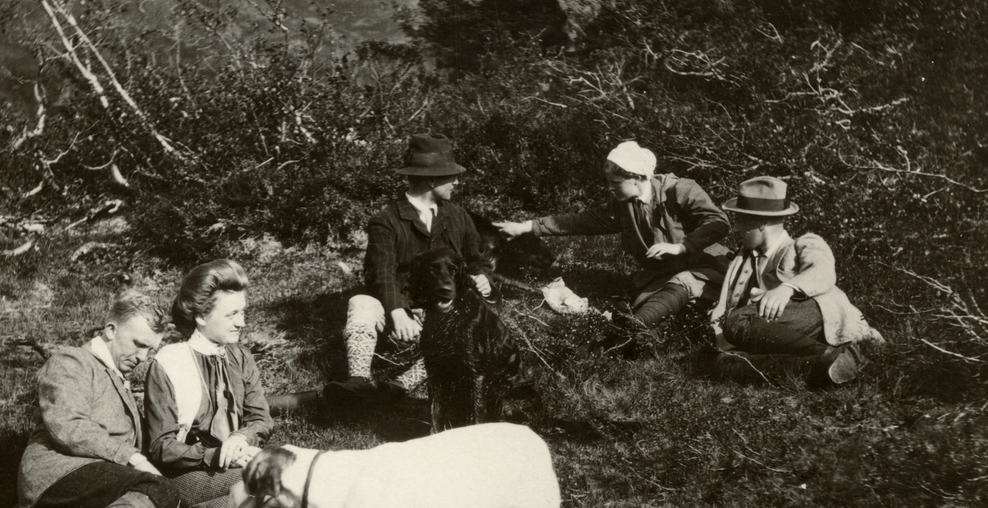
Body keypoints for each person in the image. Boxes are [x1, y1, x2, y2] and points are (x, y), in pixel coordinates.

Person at [15, 290, 223, 508]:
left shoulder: (117, 378)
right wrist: (133, 458)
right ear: (110, 330)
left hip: (97, 475)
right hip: (56, 474)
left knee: (169, 506)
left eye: (150, 350)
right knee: (158, 489)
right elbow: (68, 425)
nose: (142, 358)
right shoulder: (71, 360)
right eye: (138, 344)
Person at [494, 140, 731, 356]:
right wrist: (527, 226)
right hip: (661, 277)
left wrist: (681, 247)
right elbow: (581, 221)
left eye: (615, 183)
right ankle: (630, 335)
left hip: (705, 268)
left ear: (637, 178)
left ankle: (625, 333)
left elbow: (719, 222)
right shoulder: (623, 206)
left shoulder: (680, 190)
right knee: (649, 316)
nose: (610, 188)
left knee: (676, 291)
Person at [318, 132, 494, 406]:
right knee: (361, 302)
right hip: (399, 315)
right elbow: (380, 273)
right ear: (432, 179)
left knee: (467, 329)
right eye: (451, 176)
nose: (457, 182)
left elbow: (477, 259)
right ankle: (358, 381)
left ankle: (399, 386)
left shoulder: (458, 216)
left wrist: (483, 276)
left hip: (444, 315)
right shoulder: (386, 220)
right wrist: (398, 311)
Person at [708, 176, 884, 385]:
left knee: (737, 321)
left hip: (820, 316)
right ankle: (823, 366)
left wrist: (787, 289)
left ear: (762, 222)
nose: (735, 228)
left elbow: (823, 270)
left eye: (740, 220)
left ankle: (836, 355)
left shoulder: (803, 243)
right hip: (781, 332)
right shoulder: (744, 259)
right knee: (724, 364)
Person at [144, 258, 274, 508]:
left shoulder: (241, 357)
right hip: (189, 471)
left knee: (298, 464)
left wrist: (241, 438)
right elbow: (161, 447)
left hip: (239, 461)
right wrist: (215, 455)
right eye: (231, 315)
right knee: (273, 476)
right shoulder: (169, 362)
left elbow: (261, 418)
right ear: (201, 316)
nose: (242, 323)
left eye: (242, 312)